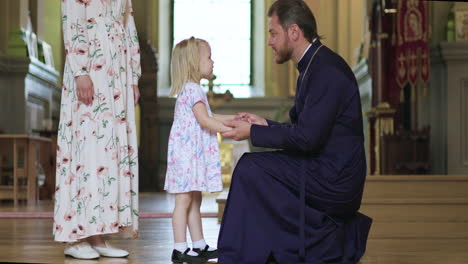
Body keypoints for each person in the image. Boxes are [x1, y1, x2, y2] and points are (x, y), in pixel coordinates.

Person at [218, 0, 372, 263]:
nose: (269, 42)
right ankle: (251, 252)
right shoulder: (314, 66)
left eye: (273, 33)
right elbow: (306, 130)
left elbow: (307, 139)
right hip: (322, 167)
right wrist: (263, 124)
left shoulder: (326, 71)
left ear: (294, 32)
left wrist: (252, 132)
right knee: (252, 168)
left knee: (250, 168)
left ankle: (236, 256)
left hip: (335, 178)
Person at [53, 0, 141, 259]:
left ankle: (98, 233)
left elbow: (130, 25)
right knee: (86, 148)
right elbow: (72, 22)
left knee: (107, 152)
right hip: (90, 68)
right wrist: (80, 71)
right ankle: (75, 235)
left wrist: (133, 76)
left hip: (117, 74)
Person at [164, 37, 235, 263]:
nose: (212, 61)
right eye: (208, 57)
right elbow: (206, 122)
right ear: (195, 63)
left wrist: (234, 119)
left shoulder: (194, 90)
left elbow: (209, 117)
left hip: (189, 156)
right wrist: (230, 129)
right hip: (186, 157)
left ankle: (199, 244)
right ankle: (179, 249)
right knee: (183, 202)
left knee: (194, 201)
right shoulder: (193, 91)